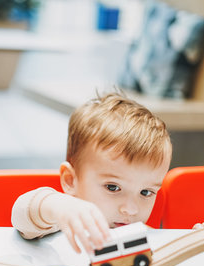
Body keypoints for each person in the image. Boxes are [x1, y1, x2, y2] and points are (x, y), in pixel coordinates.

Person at [11, 93, 172, 254]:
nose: (130, 209)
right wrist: (58, 207)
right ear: (70, 180)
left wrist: (193, 239)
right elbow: (20, 215)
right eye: (112, 187)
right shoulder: (67, 221)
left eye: (145, 192)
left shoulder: (141, 231)